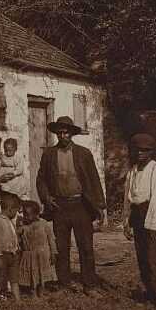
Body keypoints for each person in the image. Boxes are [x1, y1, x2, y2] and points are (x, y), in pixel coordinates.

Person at [36, 116, 106, 297]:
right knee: (61, 247)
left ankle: (89, 285)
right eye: (59, 132)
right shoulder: (49, 154)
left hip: (81, 205)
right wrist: (46, 198)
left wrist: (99, 206)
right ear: (56, 134)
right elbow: (41, 179)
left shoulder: (84, 153)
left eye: (66, 131)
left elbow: (94, 180)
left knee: (86, 246)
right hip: (59, 206)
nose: (62, 135)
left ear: (72, 133)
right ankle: (64, 283)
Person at [122, 133, 156, 310]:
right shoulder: (132, 172)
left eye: (145, 151)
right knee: (142, 257)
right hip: (137, 215)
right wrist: (126, 222)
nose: (140, 154)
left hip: (152, 216)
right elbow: (128, 198)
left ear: (151, 153)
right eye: (137, 150)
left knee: (154, 258)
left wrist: (152, 225)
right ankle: (149, 292)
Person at [18, 200, 58, 297]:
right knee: (32, 274)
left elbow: (51, 239)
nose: (26, 217)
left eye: (28, 214)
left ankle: (41, 290)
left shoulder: (44, 224)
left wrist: (53, 253)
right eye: (24, 214)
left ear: (36, 214)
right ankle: (33, 292)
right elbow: (19, 240)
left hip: (43, 254)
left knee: (41, 274)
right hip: (29, 255)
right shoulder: (23, 226)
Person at [0, 192, 21, 301]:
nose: (16, 213)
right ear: (10, 209)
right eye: (15, 211)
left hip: (12, 254)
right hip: (3, 255)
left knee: (14, 279)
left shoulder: (8, 220)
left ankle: (17, 301)